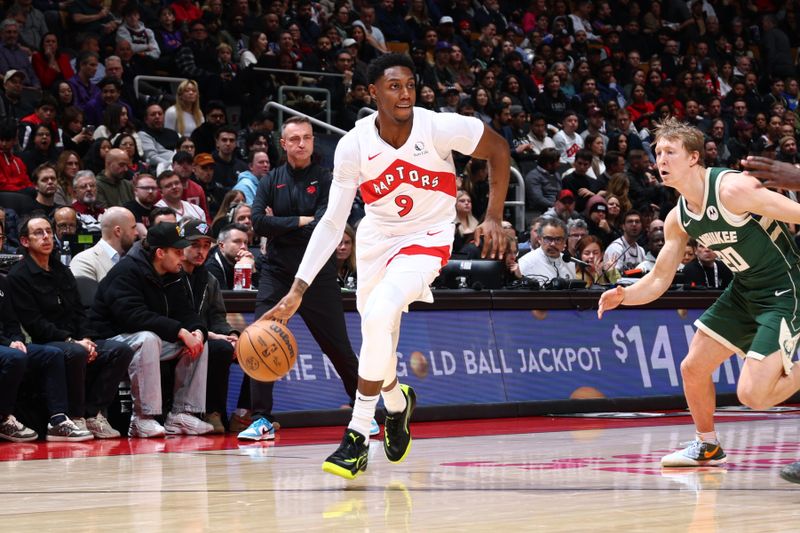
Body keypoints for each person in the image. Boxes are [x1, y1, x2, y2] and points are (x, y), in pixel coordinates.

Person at [262, 54, 510, 479]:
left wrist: (493, 214)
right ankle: (396, 402)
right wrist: (298, 288)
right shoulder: (353, 145)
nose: (405, 93)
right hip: (377, 238)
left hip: (428, 237)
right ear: (372, 92)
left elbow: (499, 149)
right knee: (378, 331)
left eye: (411, 85)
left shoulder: (439, 126)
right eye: (394, 86)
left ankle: (358, 433)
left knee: (379, 315)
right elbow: (332, 222)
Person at [598, 118, 800, 472]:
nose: (660, 159)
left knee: (753, 395)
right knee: (693, 367)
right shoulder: (678, 218)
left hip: (784, 287)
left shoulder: (732, 190)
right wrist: (624, 295)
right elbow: (659, 278)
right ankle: (707, 445)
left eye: (670, 152)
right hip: (744, 290)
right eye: (657, 152)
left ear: (693, 158)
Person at [237, 116, 363, 442]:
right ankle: (262, 418)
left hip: (318, 274)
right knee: (261, 340)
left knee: (338, 347)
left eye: (306, 138)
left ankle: (363, 413)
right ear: (283, 143)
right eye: (294, 139)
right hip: (277, 272)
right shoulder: (270, 180)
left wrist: (282, 222)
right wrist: (301, 221)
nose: (302, 144)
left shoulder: (325, 179)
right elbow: (259, 224)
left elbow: (325, 226)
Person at [8, 214, 133, 439]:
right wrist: (71, 341)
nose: (46, 237)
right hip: (46, 342)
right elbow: (35, 324)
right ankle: (75, 416)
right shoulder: (19, 275)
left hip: (75, 339)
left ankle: (92, 413)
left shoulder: (61, 270)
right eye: (38, 233)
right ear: (25, 241)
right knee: (74, 352)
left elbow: (79, 311)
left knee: (120, 349)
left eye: (48, 231)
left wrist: (87, 338)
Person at [89, 222, 213, 438]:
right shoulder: (127, 271)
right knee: (148, 339)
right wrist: (179, 331)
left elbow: (187, 313)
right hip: (111, 339)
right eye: (176, 251)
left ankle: (182, 414)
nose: (181, 256)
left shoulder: (173, 273)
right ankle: (142, 419)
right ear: (159, 252)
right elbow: (133, 317)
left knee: (198, 343)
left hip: (146, 339)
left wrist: (196, 331)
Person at [178, 218, 244, 433]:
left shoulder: (209, 278)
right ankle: (213, 412)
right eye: (195, 245)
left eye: (206, 246)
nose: (201, 251)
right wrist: (213, 335)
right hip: (183, 337)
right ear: (181, 244)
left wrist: (232, 334)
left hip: (209, 336)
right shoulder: (171, 274)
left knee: (253, 347)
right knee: (221, 348)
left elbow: (218, 316)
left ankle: (245, 414)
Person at [69, 206, 138, 305]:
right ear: (118, 231)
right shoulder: (84, 261)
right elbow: (91, 307)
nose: (136, 233)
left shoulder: (132, 259)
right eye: (133, 228)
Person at [518, 217, 576, 283]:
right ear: (539, 239)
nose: (553, 244)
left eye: (558, 239)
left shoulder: (570, 263)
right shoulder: (526, 263)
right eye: (548, 239)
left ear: (565, 241)